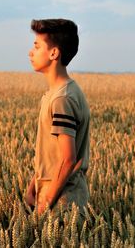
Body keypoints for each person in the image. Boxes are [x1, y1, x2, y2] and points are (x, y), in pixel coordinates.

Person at [25, 18, 90, 215]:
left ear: (54, 53)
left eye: (37, 46)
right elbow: (51, 155)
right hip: (53, 196)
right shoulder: (58, 93)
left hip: (63, 204)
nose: (31, 52)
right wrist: (33, 188)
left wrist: (46, 203)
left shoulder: (62, 98)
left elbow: (68, 159)